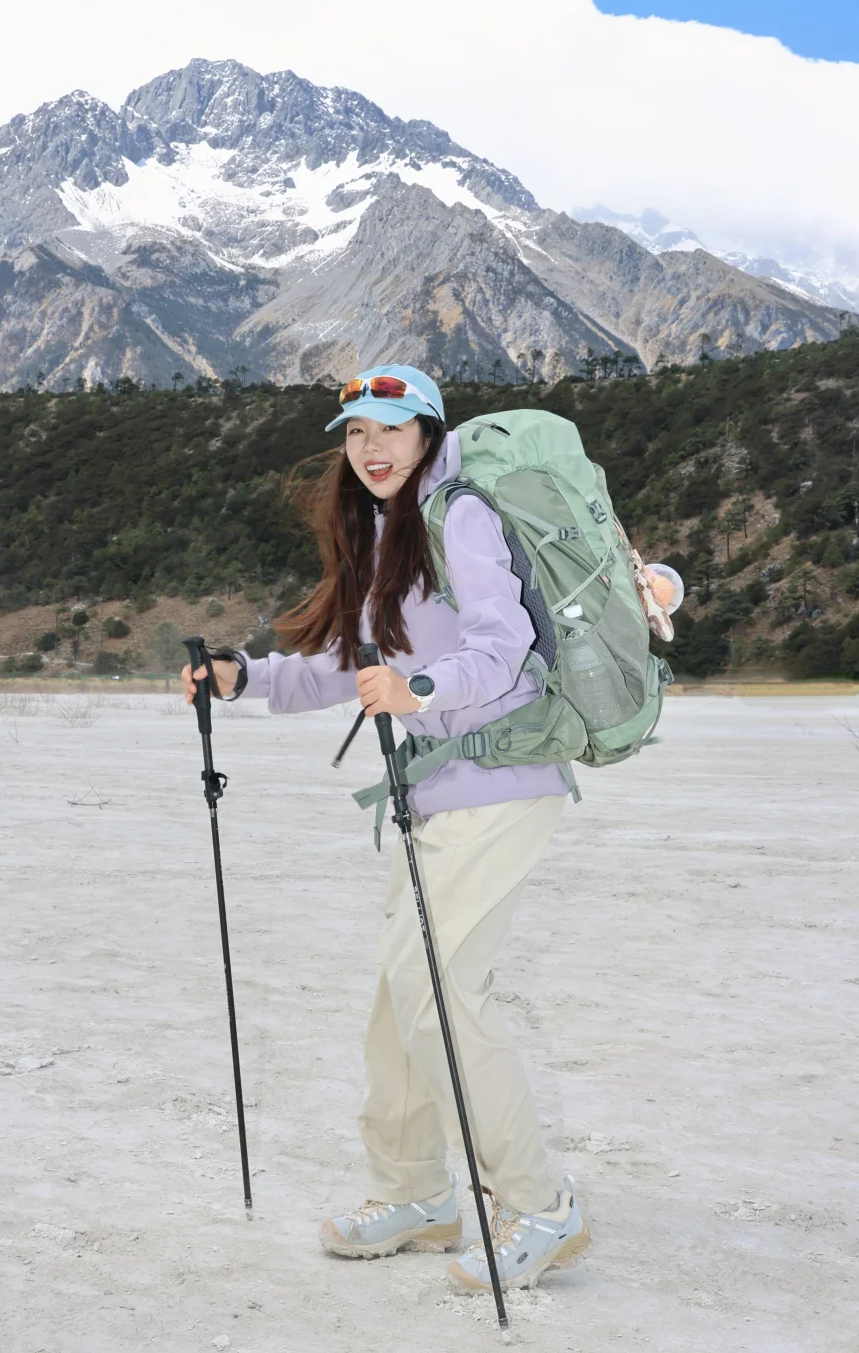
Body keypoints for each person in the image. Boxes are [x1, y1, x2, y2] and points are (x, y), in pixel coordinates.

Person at [183, 365, 589, 1294]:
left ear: (429, 435)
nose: (371, 448)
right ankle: (417, 1194)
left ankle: (540, 1206)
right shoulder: (384, 531)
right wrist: (247, 678)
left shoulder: (461, 517)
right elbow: (349, 663)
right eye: (357, 431)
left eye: (393, 429)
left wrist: (423, 690)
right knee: (396, 997)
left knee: (438, 989)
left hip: (504, 780)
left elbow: (502, 642)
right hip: (443, 790)